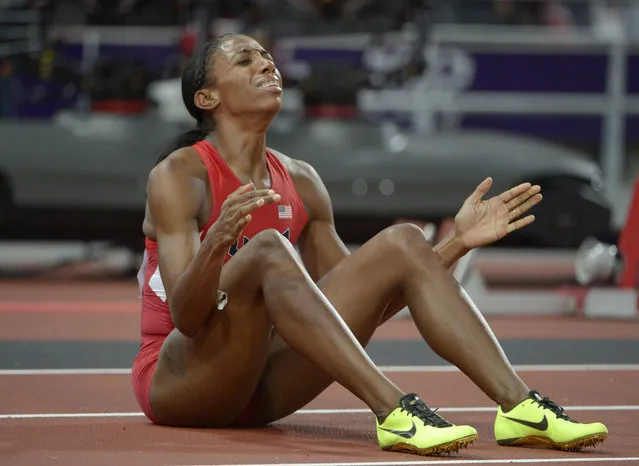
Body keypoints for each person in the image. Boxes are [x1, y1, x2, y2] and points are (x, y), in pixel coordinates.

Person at [132, 33, 608, 456]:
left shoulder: (301, 180)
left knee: (404, 241)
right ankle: (394, 411)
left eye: (267, 56)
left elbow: (359, 313)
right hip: (182, 379)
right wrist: (216, 243)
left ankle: (520, 407)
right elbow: (188, 319)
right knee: (270, 249)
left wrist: (454, 245)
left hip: (259, 384)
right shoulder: (180, 175)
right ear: (206, 96)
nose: (266, 64)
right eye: (245, 60)